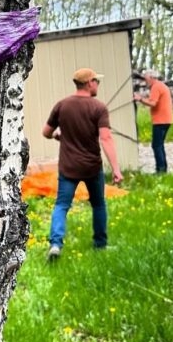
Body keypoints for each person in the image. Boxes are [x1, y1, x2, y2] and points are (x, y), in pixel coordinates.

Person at [42, 67, 123, 259]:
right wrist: (116, 170)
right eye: (97, 81)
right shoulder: (98, 108)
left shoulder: (62, 105)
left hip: (68, 167)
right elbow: (106, 138)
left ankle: (55, 244)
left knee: (62, 205)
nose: (98, 85)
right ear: (89, 83)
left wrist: (57, 135)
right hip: (91, 167)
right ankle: (100, 245)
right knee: (98, 204)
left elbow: (46, 132)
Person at [134, 69, 173, 173]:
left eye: (146, 79)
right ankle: (163, 168)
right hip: (166, 120)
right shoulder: (161, 85)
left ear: (152, 78)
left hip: (160, 120)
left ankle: (160, 170)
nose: (145, 81)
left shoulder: (156, 87)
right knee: (159, 144)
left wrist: (140, 99)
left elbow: (153, 103)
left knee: (156, 145)